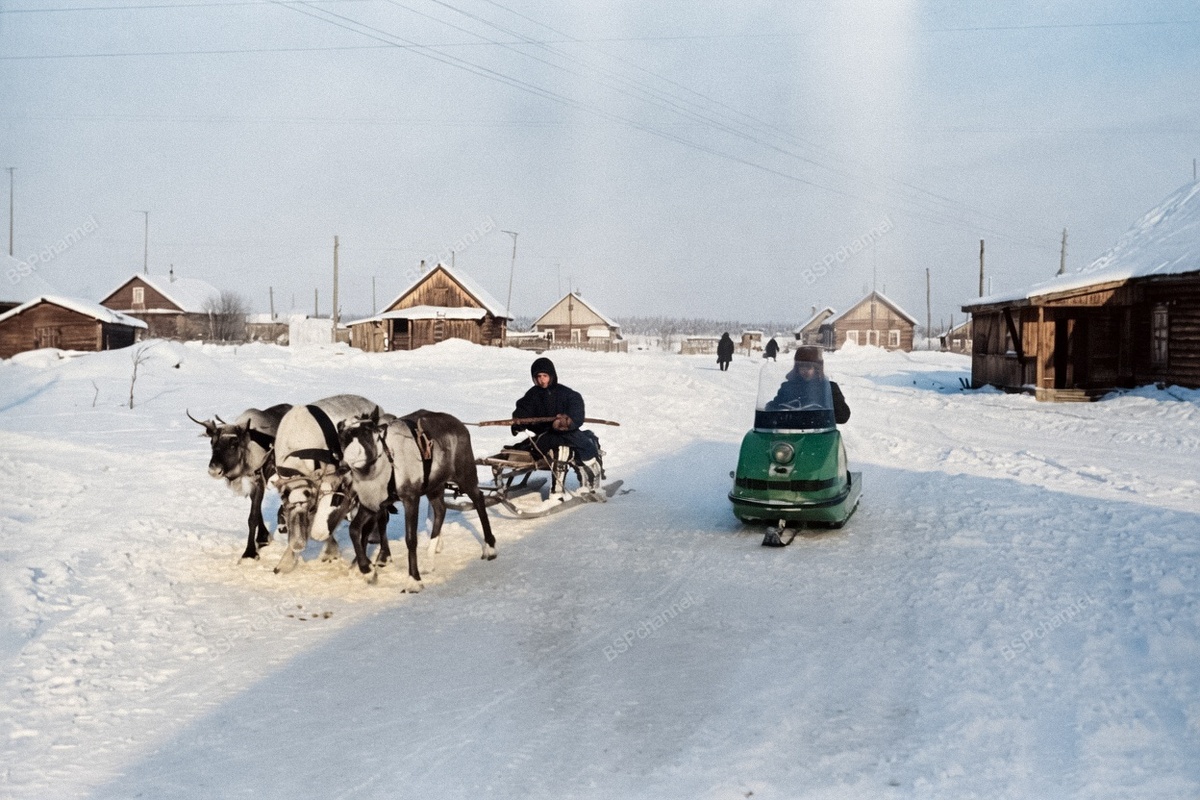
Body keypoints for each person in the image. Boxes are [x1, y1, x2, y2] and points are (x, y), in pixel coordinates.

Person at [511, 357, 602, 495]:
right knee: (547, 444)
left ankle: (567, 487)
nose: (542, 380)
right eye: (538, 376)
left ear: (551, 376)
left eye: (545, 376)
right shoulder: (532, 395)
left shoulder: (566, 394)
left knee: (563, 450)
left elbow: (577, 411)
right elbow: (523, 410)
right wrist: (518, 421)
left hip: (567, 434)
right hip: (546, 436)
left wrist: (566, 422)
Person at [765, 346, 850, 424]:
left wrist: (826, 413)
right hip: (792, 432)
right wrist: (770, 408)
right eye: (801, 367)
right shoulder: (788, 387)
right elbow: (775, 405)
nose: (805, 371)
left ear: (817, 368)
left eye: (808, 367)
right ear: (796, 368)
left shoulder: (829, 388)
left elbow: (843, 416)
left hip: (819, 432)